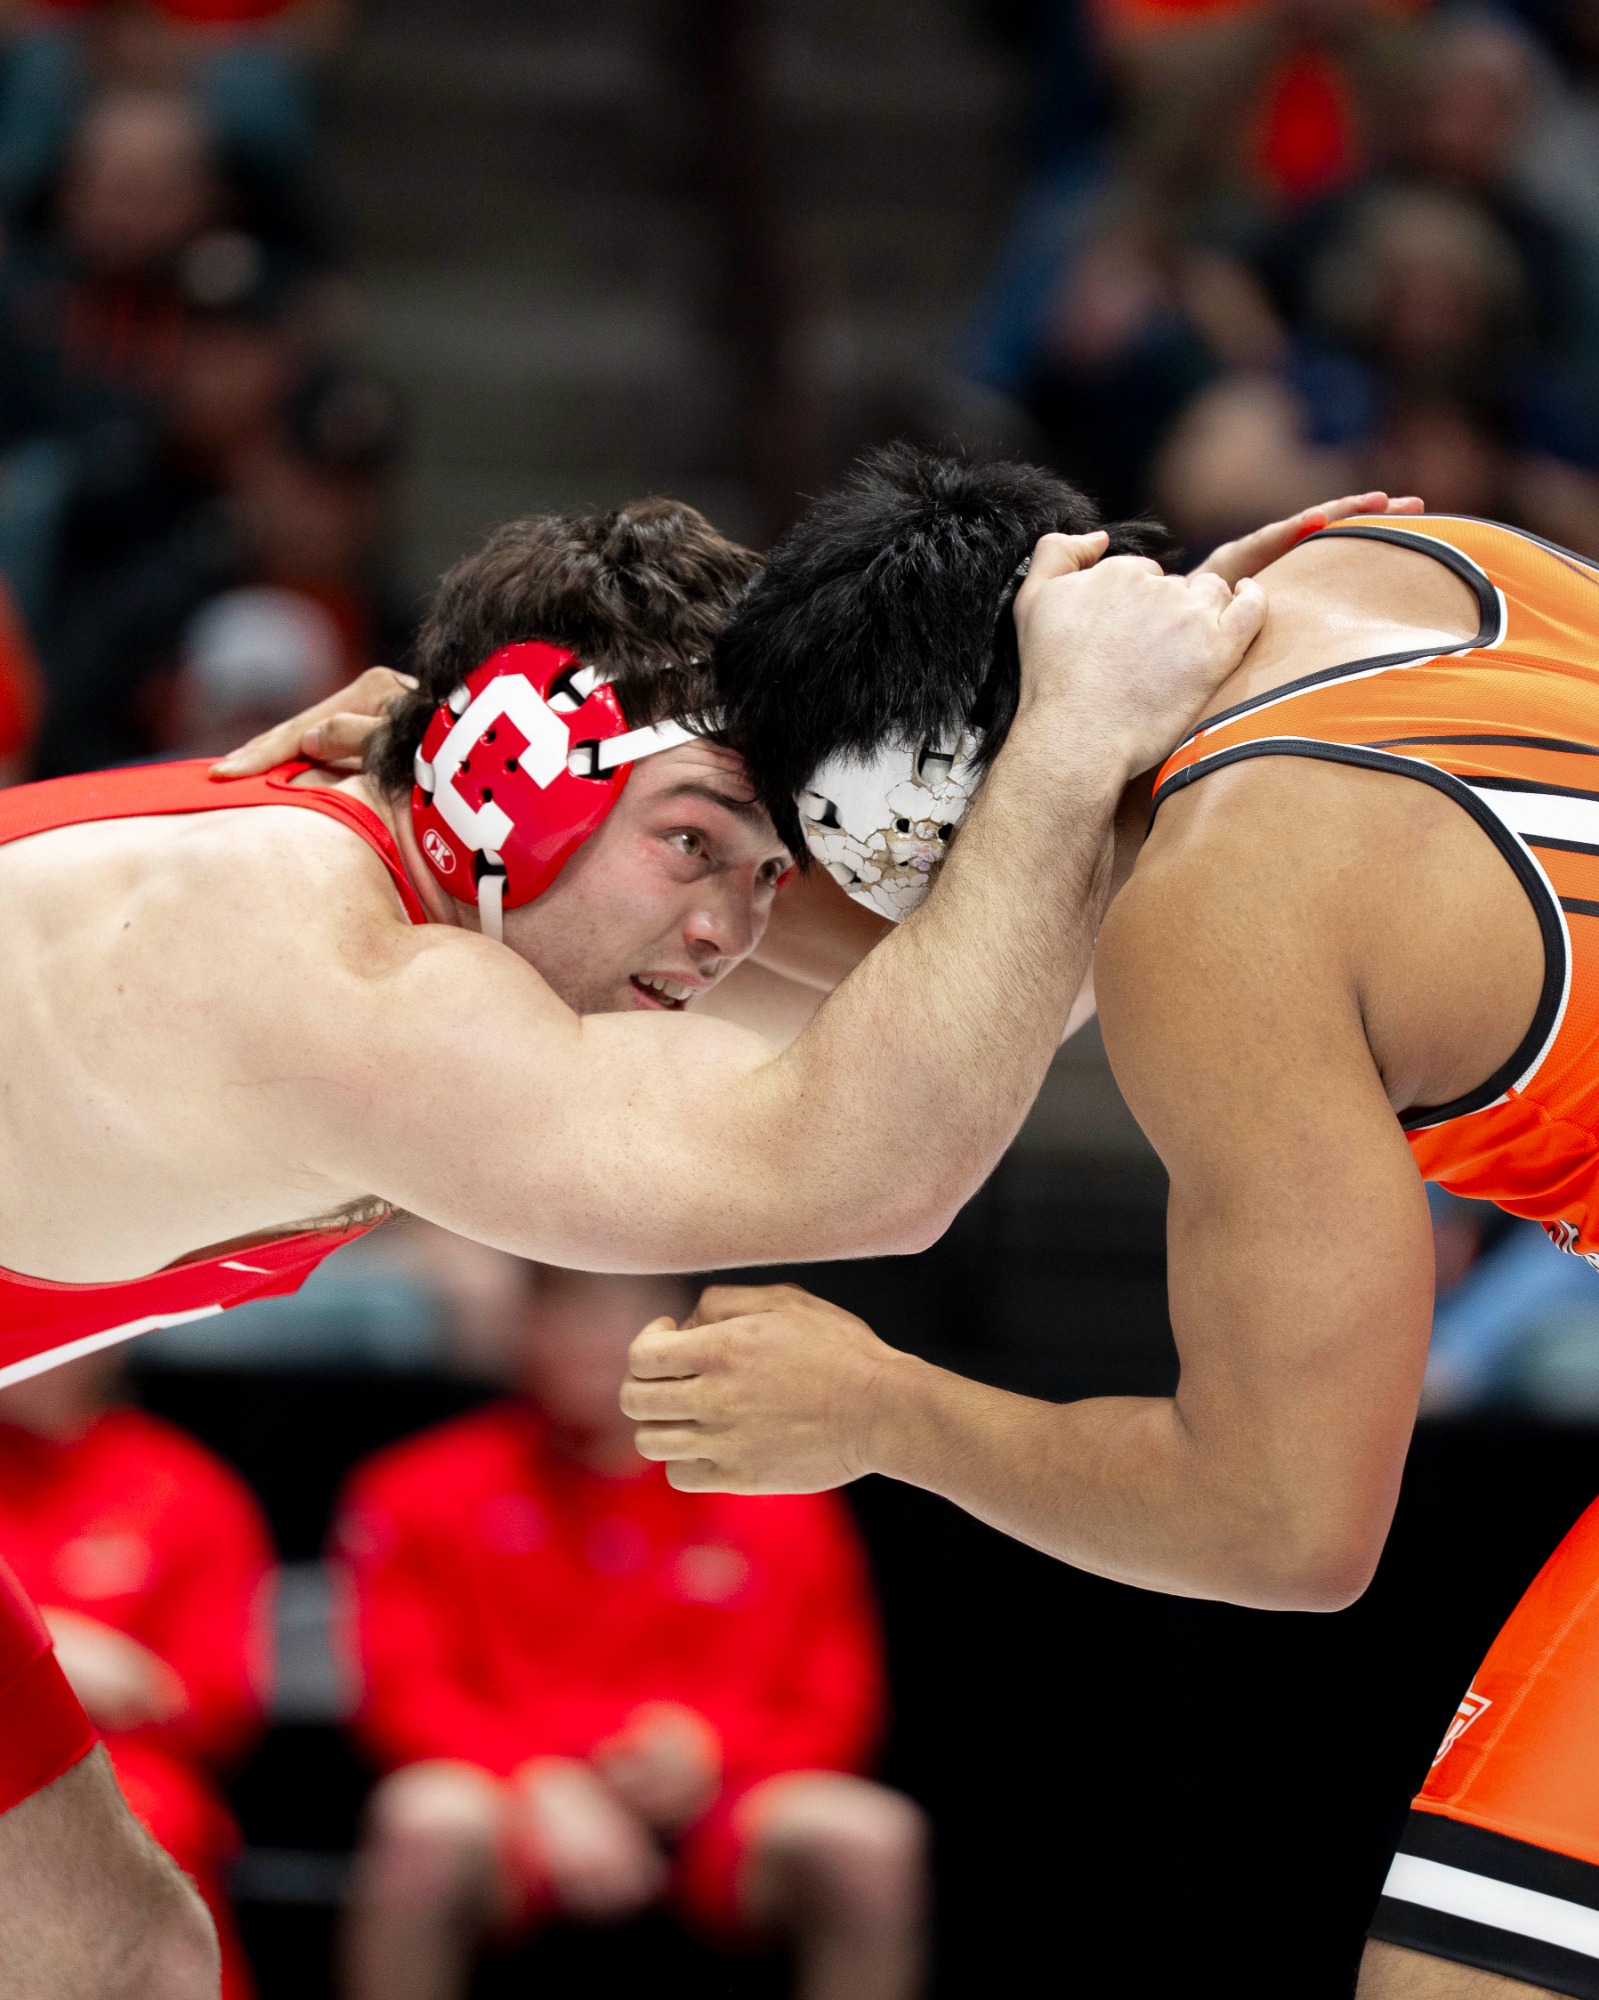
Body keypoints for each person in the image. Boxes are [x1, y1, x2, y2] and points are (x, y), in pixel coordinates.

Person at [0, 467, 1284, 1998]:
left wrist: (1184, 745)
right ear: (513, 773)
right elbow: (886, 1174)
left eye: (759, 876)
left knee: (115, 1953)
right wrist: (1071, 734)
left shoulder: (469, 873)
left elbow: (978, 1002)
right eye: (694, 849)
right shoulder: (343, 979)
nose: (728, 935)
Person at [611, 445, 1599, 2000]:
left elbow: (1282, 1528)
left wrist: (883, 1410)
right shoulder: (1355, 560)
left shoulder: (1217, 910)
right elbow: (1035, 899)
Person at [335, 1265, 921, 2000]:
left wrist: (715, 1753)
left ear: (681, 1338)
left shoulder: (780, 1496)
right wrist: (534, 1777)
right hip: (509, 1797)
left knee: (867, 1837)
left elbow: (835, 1703)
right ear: (522, 1329)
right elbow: (399, 1691)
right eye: (567, 1314)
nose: (595, 1341)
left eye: (624, 1317)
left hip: (730, 1803)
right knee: (423, 1818)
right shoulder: (418, 1487)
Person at [0, 1350, 271, 1998]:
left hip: (125, 1766)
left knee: (145, 1822)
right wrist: (56, 1647)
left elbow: (218, 1703)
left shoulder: (184, 1486)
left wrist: (116, 1677)